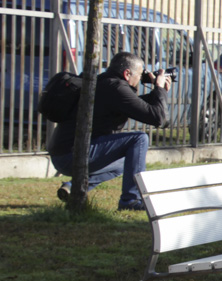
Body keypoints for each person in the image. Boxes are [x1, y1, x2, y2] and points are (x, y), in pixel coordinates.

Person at [46, 52, 172, 211]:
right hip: (72, 155)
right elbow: (158, 118)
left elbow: (144, 108)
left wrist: (159, 92)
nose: (140, 80)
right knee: (139, 139)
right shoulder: (116, 88)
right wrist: (159, 88)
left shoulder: (105, 83)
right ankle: (130, 201)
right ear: (127, 74)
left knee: (126, 162)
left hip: (62, 155)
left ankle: (74, 187)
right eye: (140, 75)